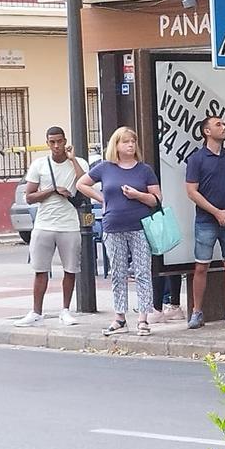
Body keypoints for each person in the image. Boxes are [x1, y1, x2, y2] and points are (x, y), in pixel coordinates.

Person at [77, 127, 161, 337]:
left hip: (140, 226)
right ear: (116, 145)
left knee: (143, 272)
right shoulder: (105, 168)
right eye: (125, 142)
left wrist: (138, 195)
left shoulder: (144, 170)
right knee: (118, 273)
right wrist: (102, 199)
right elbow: (81, 184)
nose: (130, 145)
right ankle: (120, 317)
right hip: (113, 226)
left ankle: (143, 318)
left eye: (133, 141)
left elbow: (157, 199)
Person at [15, 126, 90, 327]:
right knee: (40, 269)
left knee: (71, 269)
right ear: (47, 143)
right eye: (52, 142)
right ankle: (36, 311)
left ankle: (65, 310)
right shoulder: (39, 164)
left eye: (60, 141)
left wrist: (73, 159)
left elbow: (86, 182)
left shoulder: (79, 163)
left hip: (69, 224)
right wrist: (51, 190)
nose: (57, 146)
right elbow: (29, 197)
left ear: (65, 141)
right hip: (44, 224)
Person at [184, 115, 225, 329]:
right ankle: (197, 312)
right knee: (201, 266)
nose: (224, 127)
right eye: (218, 125)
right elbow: (192, 191)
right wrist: (215, 212)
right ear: (206, 131)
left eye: (223, 123)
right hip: (205, 220)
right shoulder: (196, 159)